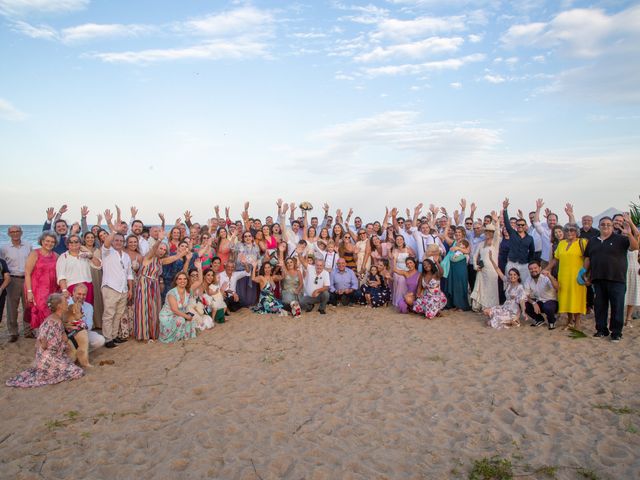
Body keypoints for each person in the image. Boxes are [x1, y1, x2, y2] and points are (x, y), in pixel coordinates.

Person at [6, 293, 84, 388]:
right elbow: (51, 346)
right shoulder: (55, 322)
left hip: (44, 355)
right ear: (59, 306)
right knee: (77, 372)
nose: (67, 302)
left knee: (71, 363)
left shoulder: (52, 318)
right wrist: (65, 342)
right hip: (49, 358)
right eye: (65, 301)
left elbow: (45, 341)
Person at [584, 214, 639, 342]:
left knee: (617, 306)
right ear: (599, 226)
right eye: (603, 224)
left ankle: (616, 332)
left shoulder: (620, 239)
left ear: (612, 226)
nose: (605, 226)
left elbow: (635, 247)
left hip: (617, 279)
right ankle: (601, 330)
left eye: (608, 224)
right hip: (598, 279)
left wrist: (629, 234)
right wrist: (584, 272)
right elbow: (587, 257)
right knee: (600, 306)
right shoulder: (593, 241)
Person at [100, 210, 134, 348]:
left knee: (118, 314)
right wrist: (114, 230)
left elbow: (129, 274)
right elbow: (107, 242)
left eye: (121, 241)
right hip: (110, 288)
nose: (119, 242)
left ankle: (114, 336)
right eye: (116, 240)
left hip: (123, 289)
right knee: (109, 314)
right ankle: (107, 339)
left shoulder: (125, 256)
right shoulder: (107, 252)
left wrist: (130, 288)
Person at [544, 223, 587, 330]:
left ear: (576, 232)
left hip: (577, 276)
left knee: (576, 298)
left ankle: (577, 321)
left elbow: (588, 258)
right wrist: (546, 269)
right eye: (567, 231)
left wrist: (585, 273)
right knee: (566, 298)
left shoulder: (582, 242)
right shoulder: (561, 243)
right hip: (563, 275)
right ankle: (569, 320)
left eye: (572, 230)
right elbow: (555, 259)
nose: (569, 233)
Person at [1, 225, 32, 342]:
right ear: (9, 234)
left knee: (28, 306)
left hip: (27, 279)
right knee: (11, 308)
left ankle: (28, 331)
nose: (15, 233)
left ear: (21, 232)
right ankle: (13, 333)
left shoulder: (28, 246)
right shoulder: (4, 248)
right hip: (12, 280)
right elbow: (2, 266)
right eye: (12, 232)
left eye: (17, 231)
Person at [24, 232, 59, 332]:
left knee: (51, 311)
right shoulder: (35, 253)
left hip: (52, 289)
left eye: (52, 241)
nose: (50, 243)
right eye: (47, 241)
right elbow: (27, 273)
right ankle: (42, 336)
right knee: (41, 311)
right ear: (42, 241)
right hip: (37, 290)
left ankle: (48, 335)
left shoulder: (56, 255)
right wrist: (29, 292)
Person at [484, 251, 527, 329]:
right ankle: (509, 321)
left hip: (513, 311)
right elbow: (498, 270)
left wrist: (523, 312)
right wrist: (491, 259)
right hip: (504, 307)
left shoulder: (520, 287)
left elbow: (522, 301)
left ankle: (513, 320)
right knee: (486, 311)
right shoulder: (508, 282)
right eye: (510, 274)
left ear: (518, 276)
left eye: (514, 275)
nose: (512, 276)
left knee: (490, 322)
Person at [56, 234, 100, 305]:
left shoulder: (86, 255)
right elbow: (61, 275)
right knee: (73, 313)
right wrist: (64, 290)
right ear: (67, 245)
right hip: (72, 289)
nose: (74, 243)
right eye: (71, 242)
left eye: (76, 241)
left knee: (87, 311)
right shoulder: (63, 257)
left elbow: (98, 265)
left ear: (80, 243)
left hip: (87, 288)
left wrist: (90, 256)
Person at [470, 219, 501, 311]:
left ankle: (491, 307)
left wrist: (496, 222)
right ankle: (481, 306)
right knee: (481, 288)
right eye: (486, 231)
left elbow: (498, 234)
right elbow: (475, 256)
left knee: (492, 289)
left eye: (490, 231)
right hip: (482, 270)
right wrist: (475, 266)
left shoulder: (495, 243)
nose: (488, 233)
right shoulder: (481, 244)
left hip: (492, 270)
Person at [502, 198, 535, 283]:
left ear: (525, 226)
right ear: (516, 226)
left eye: (522, 225)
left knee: (524, 282)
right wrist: (505, 209)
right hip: (512, 263)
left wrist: (529, 263)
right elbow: (506, 222)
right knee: (509, 282)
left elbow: (532, 252)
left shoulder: (530, 238)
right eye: (518, 225)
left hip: (524, 264)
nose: (520, 226)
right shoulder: (512, 233)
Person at [159, 272, 197, 343]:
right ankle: (174, 339)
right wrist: (186, 316)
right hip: (168, 316)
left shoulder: (188, 291)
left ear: (187, 280)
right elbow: (174, 310)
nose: (182, 281)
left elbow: (199, 282)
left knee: (189, 320)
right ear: (176, 281)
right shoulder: (172, 293)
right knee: (181, 320)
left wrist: (199, 268)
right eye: (180, 279)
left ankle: (184, 337)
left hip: (179, 314)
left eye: (185, 279)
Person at [68, 283, 106, 351]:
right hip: (68, 334)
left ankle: (83, 350)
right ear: (73, 292)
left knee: (100, 340)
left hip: (83, 332)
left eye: (84, 294)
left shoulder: (89, 307)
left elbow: (89, 326)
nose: (81, 297)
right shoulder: (66, 303)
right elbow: (65, 323)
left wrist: (77, 325)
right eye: (79, 294)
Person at [524, 261, 559, 329]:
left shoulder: (546, 277)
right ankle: (539, 319)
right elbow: (525, 295)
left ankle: (552, 321)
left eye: (535, 268)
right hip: (539, 301)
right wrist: (533, 303)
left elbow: (556, 287)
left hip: (551, 302)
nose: (533, 270)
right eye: (531, 269)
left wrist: (550, 276)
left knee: (547, 307)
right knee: (524, 304)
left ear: (540, 268)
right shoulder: (528, 279)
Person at [624, 220, 640, 327]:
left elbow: (638, 234)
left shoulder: (636, 241)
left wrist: (630, 221)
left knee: (632, 294)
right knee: (621, 295)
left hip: (634, 269)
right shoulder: (620, 240)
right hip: (621, 270)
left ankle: (628, 318)